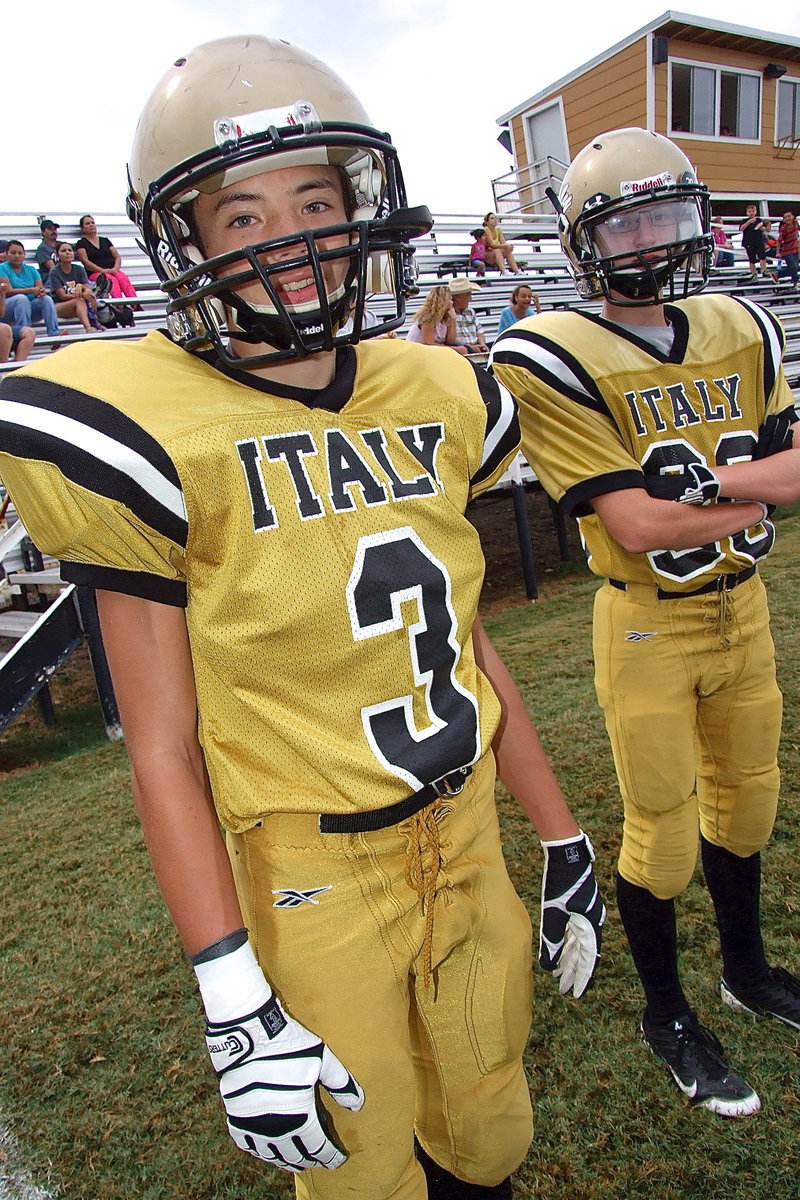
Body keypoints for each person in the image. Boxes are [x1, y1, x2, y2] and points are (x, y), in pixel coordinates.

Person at [0, 35, 605, 1200]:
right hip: (311, 872)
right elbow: (163, 749)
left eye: (317, 199)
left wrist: (562, 833)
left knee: (487, 1133)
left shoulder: (434, 388)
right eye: (244, 217)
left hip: (468, 827)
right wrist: (232, 997)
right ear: (183, 242)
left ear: (363, 204)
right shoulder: (146, 422)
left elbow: (467, 643)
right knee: (361, 1176)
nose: (294, 237)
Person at [491, 127, 800, 1121]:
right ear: (585, 243)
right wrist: (760, 496)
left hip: (740, 608)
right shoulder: (547, 350)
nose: (655, 241)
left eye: (669, 214)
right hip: (646, 626)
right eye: (628, 223)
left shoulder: (741, 323)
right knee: (660, 830)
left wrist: (719, 483)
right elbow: (631, 519)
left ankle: (743, 970)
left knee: (748, 799)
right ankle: (663, 1011)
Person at [0, 240, 60, 338]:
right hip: (7, 308)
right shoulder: (2, 268)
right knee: (21, 299)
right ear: (6, 254)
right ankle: (25, 334)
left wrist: (40, 292)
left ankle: (54, 333)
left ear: (24, 254)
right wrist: (31, 290)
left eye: (20, 253)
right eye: (13, 253)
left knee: (46, 299)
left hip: (29, 307)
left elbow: (39, 289)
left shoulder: (31, 269)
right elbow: (9, 291)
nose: (17, 256)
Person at [74, 214, 138, 303]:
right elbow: (85, 262)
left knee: (123, 278)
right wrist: (102, 270)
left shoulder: (105, 240)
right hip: (95, 273)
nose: (91, 225)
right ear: (83, 228)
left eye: (93, 222)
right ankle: (120, 305)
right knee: (111, 281)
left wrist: (115, 268)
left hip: (112, 270)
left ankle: (135, 303)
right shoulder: (81, 243)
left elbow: (117, 257)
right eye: (87, 224)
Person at [47, 242, 101, 333]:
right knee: (80, 300)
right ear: (57, 255)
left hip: (79, 305)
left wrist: (80, 286)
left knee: (90, 295)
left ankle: (96, 322)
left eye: (70, 250)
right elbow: (62, 296)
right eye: (63, 251)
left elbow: (87, 287)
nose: (67, 253)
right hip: (60, 306)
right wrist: (80, 295)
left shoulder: (79, 269)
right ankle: (89, 328)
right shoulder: (54, 272)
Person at [405, 283, 467, 352]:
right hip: (417, 352)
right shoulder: (428, 317)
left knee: (465, 348)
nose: (452, 302)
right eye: (450, 299)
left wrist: (453, 319)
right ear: (442, 301)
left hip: (431, 353)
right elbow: (429, 344)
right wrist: (455, 350)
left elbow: (451, 341)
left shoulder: (445, 318)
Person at [449, 275, 489, 353]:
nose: (470, 298)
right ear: (459, 297)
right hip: (460, 350)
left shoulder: (471, 312)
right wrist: (471, 348)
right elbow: (451, 340)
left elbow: (480, 332)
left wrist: (482, 344)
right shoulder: (448, 314)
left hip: (475, 347)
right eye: (468, 294)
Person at [739, 203, 769, 279]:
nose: (751, 212)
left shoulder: (759, 220)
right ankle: (754, 273)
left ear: (756, 211)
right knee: (751, 258)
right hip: (749, 242)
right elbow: (741, 229)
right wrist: (749, 222)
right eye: (749, 211)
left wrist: (762, 228)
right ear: (747, 213)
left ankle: (764, 270)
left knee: (762, 256)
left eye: (753, 211)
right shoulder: (744, 220)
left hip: (759, 241)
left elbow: (766, 229)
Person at [776, 210, 799, 289]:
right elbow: (779, 241)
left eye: (789, 216)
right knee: (793, 266)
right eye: (785, 217)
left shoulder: (796, 223)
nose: (787, 218)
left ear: (793, 217)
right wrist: (778, 252)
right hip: (787, 251)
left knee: (795, 267)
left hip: (795, 249)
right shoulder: (784, 228)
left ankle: (777, 274)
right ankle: (795, 282)